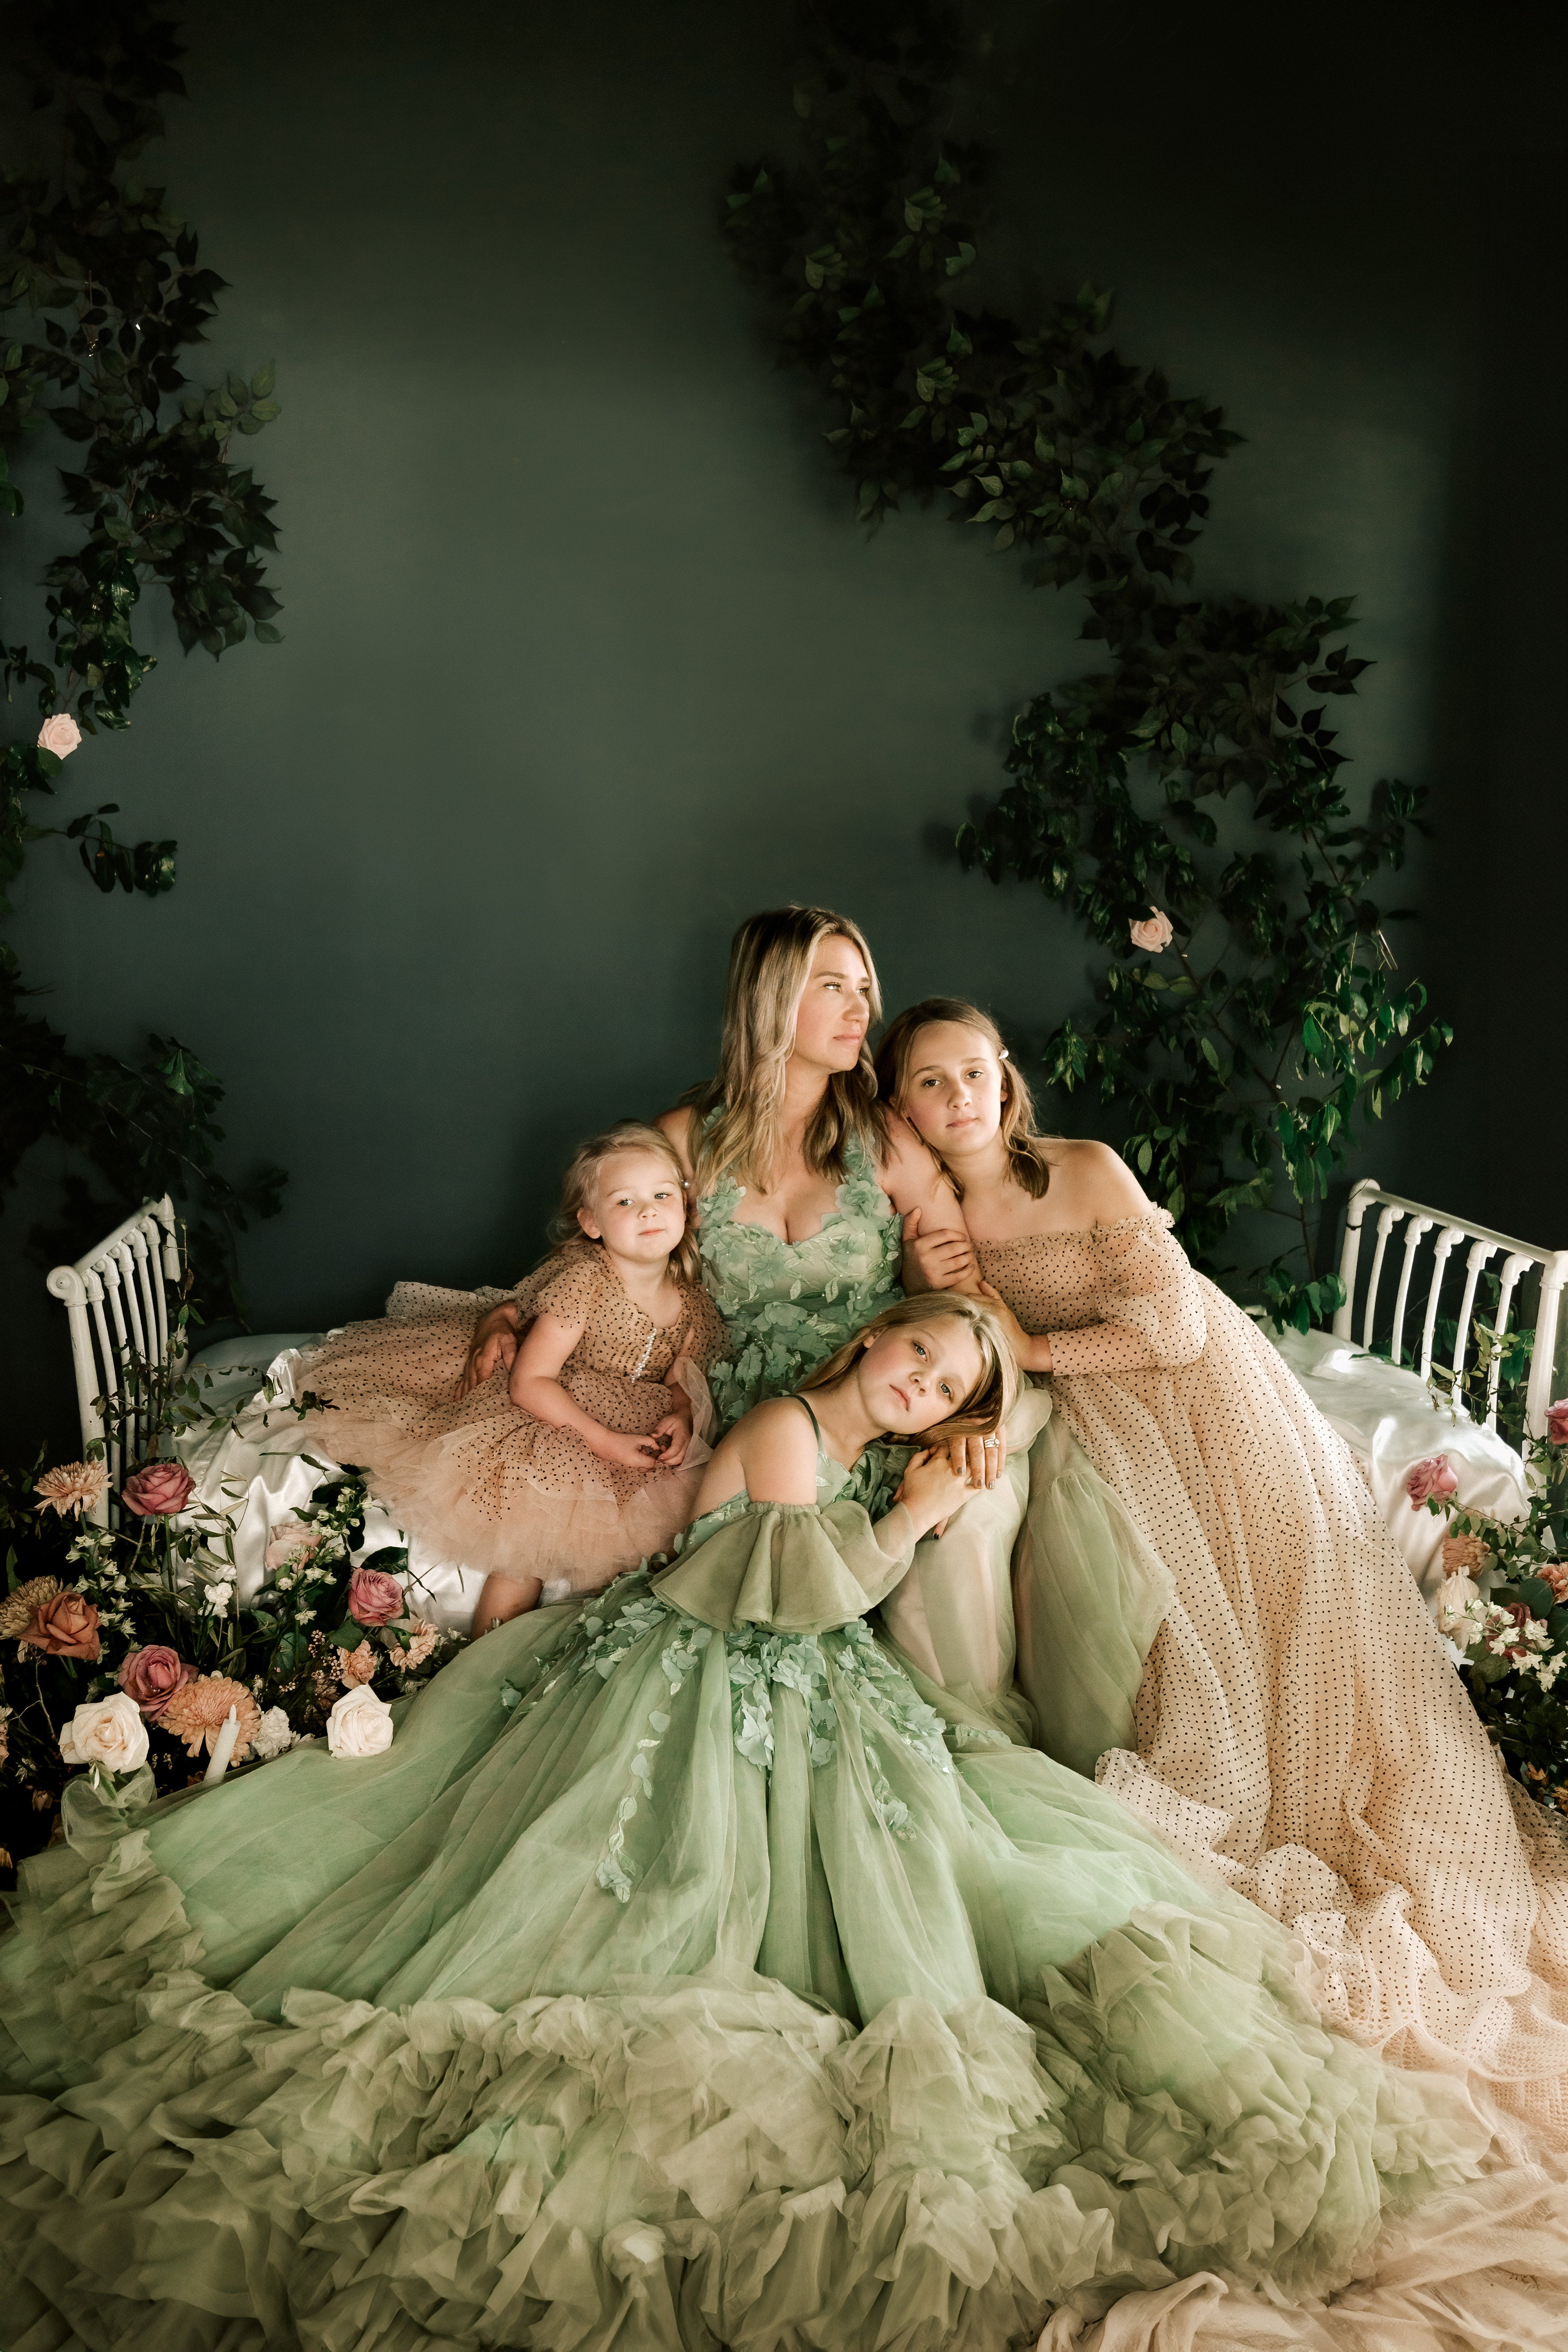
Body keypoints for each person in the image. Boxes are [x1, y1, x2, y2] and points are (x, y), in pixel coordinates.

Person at [3, 1289, 1553, 2351]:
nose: (918, 1389)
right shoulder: (785, 1434)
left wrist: (931, 1492)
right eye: (915, 1362)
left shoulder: (851, 1449)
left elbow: (827, 1608)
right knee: (630, 1900)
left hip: (802, 1691)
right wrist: (915, 1516)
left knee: (962, 1870)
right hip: (691, 1683)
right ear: (873, 1336)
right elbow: (793, 1589)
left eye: (947, 1391)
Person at [883, 994, 1568, 2148]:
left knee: (1280, 1595)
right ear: (903, 1104)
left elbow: (1178, 1333)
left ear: (1008, 1076)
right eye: (932, 1084)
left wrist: (1029, 1337)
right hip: (1102, 1407)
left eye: (977, 1072)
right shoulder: (940, 1208)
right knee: (1163, 1615)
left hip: (1197, 1390)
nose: (963, 1099)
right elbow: (957, 1322)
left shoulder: (1082, 1170)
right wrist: (947, 1279)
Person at [299, 1123, 728, 1631]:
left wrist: (680, 1413)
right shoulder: (585, 1279)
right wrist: (604, 1440)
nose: (647, 1210)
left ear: (685, 1205)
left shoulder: (693, 1303)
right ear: (591, 1223)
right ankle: (477, 1659)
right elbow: (529, 1382)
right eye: (624, 1201)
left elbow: (682, 1379)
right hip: (553, 1413)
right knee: (529, 1541)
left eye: (661, 1194)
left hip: (631, 1425)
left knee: (650, 1542)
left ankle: (579, 1661)